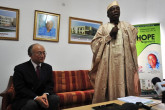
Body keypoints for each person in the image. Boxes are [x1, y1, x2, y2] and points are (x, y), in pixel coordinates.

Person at [88, 1, 141, 104]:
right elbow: (94, 45)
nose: (115, 11)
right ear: (108, 14)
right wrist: (109, 36)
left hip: (125, 67)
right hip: (109, 68)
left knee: (127, 94)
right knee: (109, 94)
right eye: (112, 9)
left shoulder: (127, 26)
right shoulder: (103, 28)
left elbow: (134, 38)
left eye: (117, 8)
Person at [12, 43, 59, 110]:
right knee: (31, 104)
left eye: (44, 53)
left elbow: (50, 84)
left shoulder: (48, 67)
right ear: (30, 55)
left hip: (43, 95)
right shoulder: (20, 68)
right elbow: (20, 88)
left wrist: (45, 94)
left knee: (54, 98)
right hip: (26, 97)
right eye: (39, 53)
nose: (42, 55)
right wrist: (36, 97)